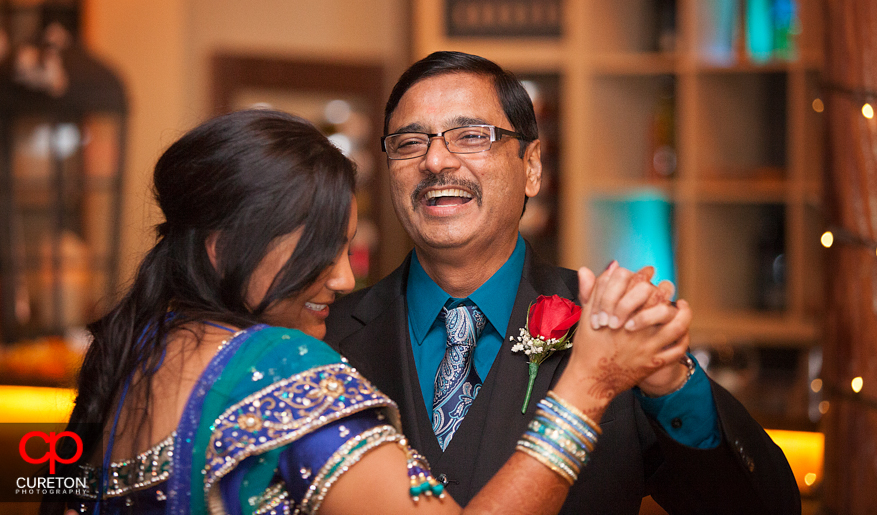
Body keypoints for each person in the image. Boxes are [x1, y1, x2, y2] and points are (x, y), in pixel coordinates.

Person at [46, 109, 690, 515]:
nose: (343, 277)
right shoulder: (276, 367)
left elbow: (47, 490)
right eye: (320, 254)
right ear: (222, 249)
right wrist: (587, 386)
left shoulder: (134, 353)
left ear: (530, 165)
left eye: (346, 249)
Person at [325, 51, 801, 514]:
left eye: (470, 136)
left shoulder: (613, 324)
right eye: (410, 143)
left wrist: (671, 384)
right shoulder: (328, 335)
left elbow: (768, 506)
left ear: (531, 167)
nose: (434, 161)